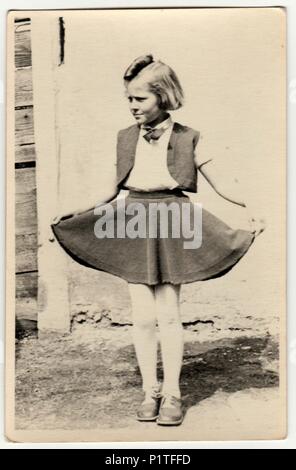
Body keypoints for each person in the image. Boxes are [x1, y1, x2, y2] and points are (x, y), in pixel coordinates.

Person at [51, 54, 265, 426]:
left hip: (172, 219)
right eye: (128, 99)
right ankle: (149, 390)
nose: (132, 106)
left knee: (168, 314)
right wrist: (72, 209)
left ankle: (173, 394)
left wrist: (253, 206)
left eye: (139, 99)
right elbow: (107, 190)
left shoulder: (189, 137)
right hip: (134, 219)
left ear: (163, 96)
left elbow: (224, 182)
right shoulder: (123, 138)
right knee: (143, 317)